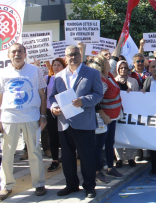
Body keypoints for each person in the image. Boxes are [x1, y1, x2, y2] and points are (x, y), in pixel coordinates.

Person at [49, 45, 103, 198]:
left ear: (81, 55)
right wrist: (54, 107)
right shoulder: (58, 75)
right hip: (64, 123)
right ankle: (71, 185)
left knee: (86, 157)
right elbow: (52, 96)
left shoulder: (92, 73)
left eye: (75, 54)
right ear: (65, 57)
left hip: (84, 122)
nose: (72, 57)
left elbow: (98, 94)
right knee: (67, 157)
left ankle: (89, 187)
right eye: (69, 55)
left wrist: (84, 101)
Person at [0, 43, 48, 200]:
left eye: (20, 51)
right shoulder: (3, 73)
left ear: (25, 54)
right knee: (7, 155)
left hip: (31, 118)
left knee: (34, 152)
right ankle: (6, 186)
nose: (17, 54)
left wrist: (43, 116)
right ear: (9, 55)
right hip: (9, 118)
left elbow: (42, 95)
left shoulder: (35, 71)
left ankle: (39, 183)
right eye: (13, 52)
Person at [87, 56, 123, 183]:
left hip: (112, 117)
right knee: (99, 146)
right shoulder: (102, 81)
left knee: (109, 143)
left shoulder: (109, 77)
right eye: (108, 62)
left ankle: (110, 168)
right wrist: (103, 114)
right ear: (104, 65)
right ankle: (97, 172)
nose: (110, 63)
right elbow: (95, 100)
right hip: (104, 118)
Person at [114, 60, 139, 168]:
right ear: (118, 69)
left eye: (125, 68)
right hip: (117, 111)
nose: (123, 70)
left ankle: (130, 157)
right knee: (117, 134)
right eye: (121, 68)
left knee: (130, 134)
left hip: (131, 112)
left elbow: (139, 96)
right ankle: (119, 158)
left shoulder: (133, 81)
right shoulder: (113, 81)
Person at [45, 58, 67, 172]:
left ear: (63, 67)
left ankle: (67, 157)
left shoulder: (66, 78)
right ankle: (55, 160)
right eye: (54, 65)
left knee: (65, 136)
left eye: (59, 65)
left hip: (64, 111)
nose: (56, 67)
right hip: (51, 111)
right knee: (53, 137)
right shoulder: (48, 78)